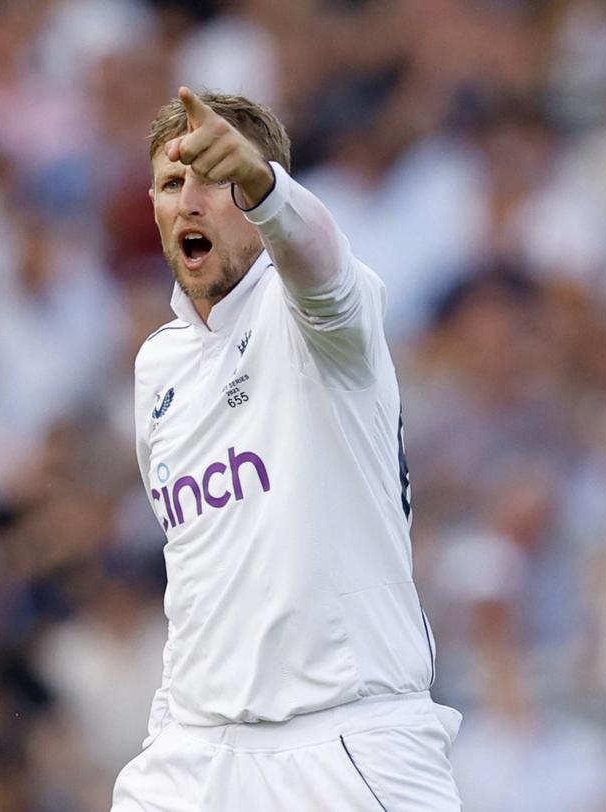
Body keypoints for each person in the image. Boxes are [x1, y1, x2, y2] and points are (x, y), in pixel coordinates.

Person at [111, 87, 463, 811]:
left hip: (348, 743)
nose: (191, 201)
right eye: (173, 183)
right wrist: (167, 730)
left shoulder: (321, 314)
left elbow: (321, 269)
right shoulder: (159, 369)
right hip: (198, 750)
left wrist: (267, 187)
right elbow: (199, 573)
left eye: (216, 178)